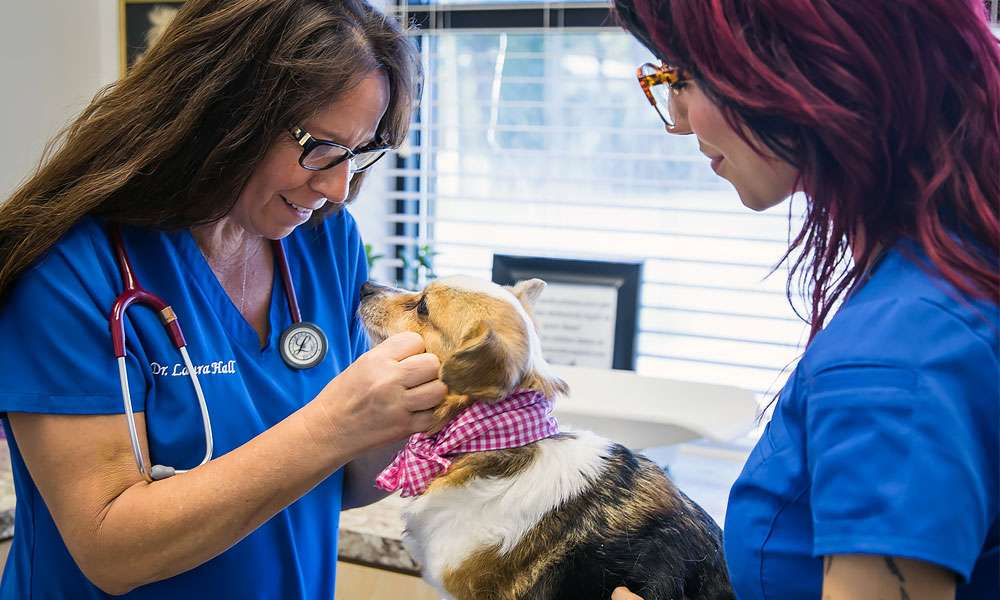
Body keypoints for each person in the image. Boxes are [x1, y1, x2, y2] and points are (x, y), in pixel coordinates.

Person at [0, 0, 445, 597]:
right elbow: (109, 550)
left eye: (359, 152)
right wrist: (336, 422)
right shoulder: (72, 269)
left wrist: (414, 412)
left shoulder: (322, 240)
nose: (339, 187)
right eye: (319, 146)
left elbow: (338, 484)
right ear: (226, 112)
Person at [609, 0, 999, 598]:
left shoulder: (897, 354)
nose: (679, 120)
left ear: (794, 65)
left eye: (683, 77)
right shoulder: (957, 266)